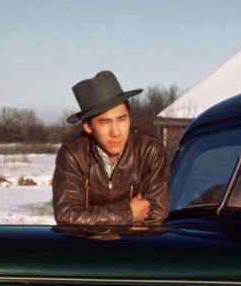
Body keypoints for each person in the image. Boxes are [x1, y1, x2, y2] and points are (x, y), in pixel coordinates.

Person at [53, 70, 170, 227]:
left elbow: (155, 214)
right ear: (87, 126)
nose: (116, 132)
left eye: (122, 119)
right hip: (89, 248)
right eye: (105, 122)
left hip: (134, 247)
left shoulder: (150, 150)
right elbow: (66, 216)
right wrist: (128, 213)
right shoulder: (73, 154)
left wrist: (98, 222)